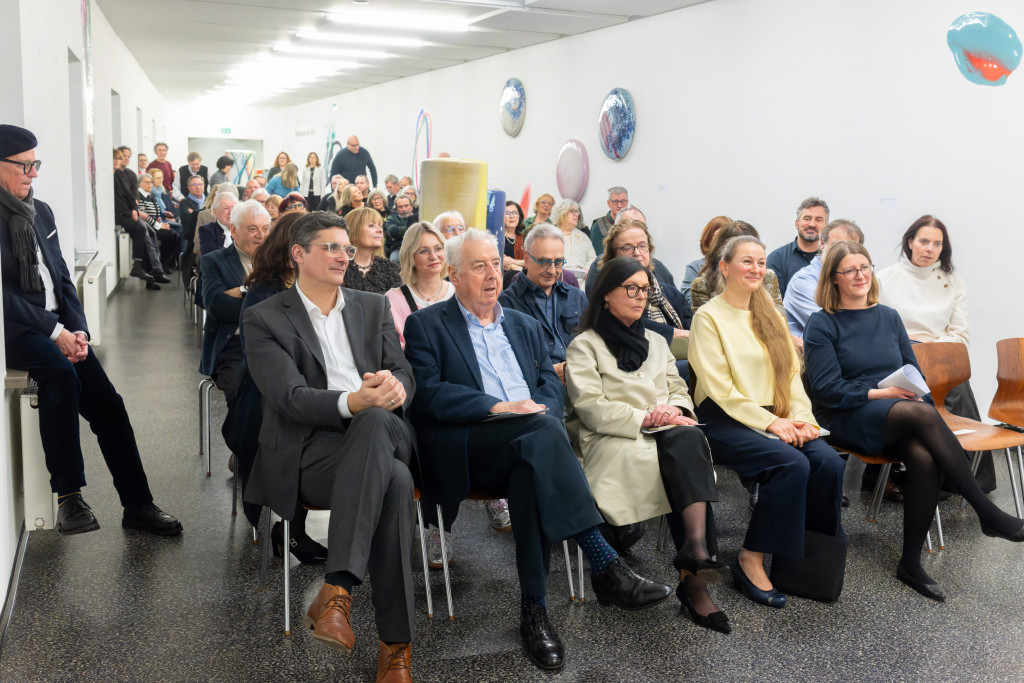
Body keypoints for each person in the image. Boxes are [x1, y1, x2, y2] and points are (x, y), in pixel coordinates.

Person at [403, 229, 673, 672]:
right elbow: (429, 396)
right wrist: (498, 406)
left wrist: (538, 409)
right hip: (469, 445)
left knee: (532, 463)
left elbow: (549, 382)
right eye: (478, 266)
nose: (492, 275)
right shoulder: (427, 325)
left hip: (529, 448)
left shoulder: (523, 325)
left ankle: (535, 613)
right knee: (542, 434)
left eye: (495, 263)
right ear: (452, 273)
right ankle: (604, 562)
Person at [243, 211, 416, 680]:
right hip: (312, 449)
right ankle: (394, 647)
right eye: (331, 247)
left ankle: (337, 589)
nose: (344, 255)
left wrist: (394, 387)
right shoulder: (263, 318)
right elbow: (288, 397)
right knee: (396, 483)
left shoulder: (371, 305)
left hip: (383, 430)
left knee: (378, 419)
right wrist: (353, 401)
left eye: (346, 247)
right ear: (299, 254)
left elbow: (402, 372)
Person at [804, 241, 1024, 601]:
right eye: (850, 270)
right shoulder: (822, 323)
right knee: (922, 413)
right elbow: (827, 390)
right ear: (834, 279)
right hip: (848, 414)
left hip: (897, 413)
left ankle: (910, 563)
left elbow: (913, 372)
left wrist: (909, 393)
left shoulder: (888, 315)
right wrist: (882, 394)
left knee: (922, 454)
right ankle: (986, 512)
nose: (860, 275)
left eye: (865, 267)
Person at [0, 124, 182, 536]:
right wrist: (53, 332)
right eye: (24, 165)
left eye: (36, 164)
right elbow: (2, 295)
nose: (33, 173)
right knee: (59, 375)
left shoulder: (39, 210)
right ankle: (69, 497)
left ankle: (138, 504)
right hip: (18, 330)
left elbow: (61, 276)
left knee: (110, 407)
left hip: (58, 326)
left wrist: (78, 330)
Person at [565, 256, 728, 633]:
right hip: (612, 436)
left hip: (664, 430)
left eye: (645, 290)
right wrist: (644, 417)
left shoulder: (656, 341)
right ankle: (695, 571)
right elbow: (590, 408)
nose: (641, 298)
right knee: (682, 460)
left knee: (689, 440)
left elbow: (676, 387)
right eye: (631, 289)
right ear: (606, 295)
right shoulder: (584, 346)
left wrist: (673, 410)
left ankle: (696, 564)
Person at [689, 234, 844, 609]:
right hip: (724, 417)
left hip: (774, 414)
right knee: (790, 464)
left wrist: (802, 419)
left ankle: (799, 562)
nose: (757, 268)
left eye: (761, 262)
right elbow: (720, 389)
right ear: (724, 268)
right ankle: (751, 558)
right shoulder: (708, 317)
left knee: (827, 462)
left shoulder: (770, 314)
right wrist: (771, 424)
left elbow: (791, 376)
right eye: (747, 261)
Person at [877, 216, 996, 490]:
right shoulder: (884, 279)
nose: (930, 248)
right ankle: (953, 475)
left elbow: (960, 334)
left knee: (953, 384)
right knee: (947, 389)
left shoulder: (952, 281)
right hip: (899, 361)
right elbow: (879, 331)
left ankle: (951, 475)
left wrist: (930, 348)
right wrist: (913, 344)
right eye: (924, 241)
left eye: (937, 243)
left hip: (940, 358)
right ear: (910, 242)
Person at [200, 199, 271, 404]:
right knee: (242, 395)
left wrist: (240, 293)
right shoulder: (214, 261)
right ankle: (240, 437)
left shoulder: (277, 262)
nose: (261, 235)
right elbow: (216, 306)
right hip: (234, 345)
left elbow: (286, 303)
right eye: (253, 229)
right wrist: (253, 291)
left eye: (265, 228)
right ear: (234, 230)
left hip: (273, 340)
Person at [499, 223, 587, 385]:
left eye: (558, 262)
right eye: (544, 262)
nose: (552, 271)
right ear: (525, 259)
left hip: (582, 382)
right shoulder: (506, 304)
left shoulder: (577, 297)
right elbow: (504, 364)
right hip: (536, 389)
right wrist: (547, 372)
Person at [589, 219, 690, 353]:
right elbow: (628, 324)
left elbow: (693, 330)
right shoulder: (610, 293)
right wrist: (674, 333)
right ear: (613, 255)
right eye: (627, 248)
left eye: (642, 246)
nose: (637, 253)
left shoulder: (671, 293)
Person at [784, 219, 864, 340]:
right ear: (822, 244)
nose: (843, 254)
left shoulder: (859, 278)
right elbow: (831, 329)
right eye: (836, 246)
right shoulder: (802, 281)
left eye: (851, 248)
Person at [691, 221, 784, 315]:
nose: (755, 270)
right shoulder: (703, 285)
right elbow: (702, 324)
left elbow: (780, 321)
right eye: (746, 260)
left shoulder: (767, 277)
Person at [384, 221, 454, 348]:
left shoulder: (459, 294)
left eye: (438, 248)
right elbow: (392, 350)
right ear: (410, 256)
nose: (433, 256)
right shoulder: (394, 300)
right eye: (424, 251)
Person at [583, 206, 676, 292]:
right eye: (627, 225)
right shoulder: (600, 266)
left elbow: (679, 303)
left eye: (640, 226)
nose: (637, 253)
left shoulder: (659, 267)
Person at [113, 148, 162, 289]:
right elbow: (120, 198)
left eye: (127, 156)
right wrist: (132, 212)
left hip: (129, 212)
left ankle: (150, 270)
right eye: (117, 158)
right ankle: (145, 268)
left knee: (149, 233)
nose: (122, 160)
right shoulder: (115, 175)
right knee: (143, 230)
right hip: (122, 214)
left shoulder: (127, 174)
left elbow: (132, 196)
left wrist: (134, 210)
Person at [767, 197, 828, 297]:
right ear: (797, 224)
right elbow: (773, 304)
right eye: (807, 218)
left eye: (818, 220)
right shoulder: (777, 258)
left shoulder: (832, 258)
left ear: (826, 227)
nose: (812, 224)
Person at [344, 206, 401, 294]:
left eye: (380, 226)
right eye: (371, 225)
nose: (380, 230)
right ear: (353, 230)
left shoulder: (390, 270)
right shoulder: (340, 267)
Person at [136, 173, 182, 274]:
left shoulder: (149, 195)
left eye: (150, 182)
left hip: (155, 225)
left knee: (176, 236)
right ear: (139, 184)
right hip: (147, 227)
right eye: (146, 182)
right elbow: (143, 216)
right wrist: (159, 225)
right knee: (171, 236)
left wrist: (162, 223)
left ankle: (165, 264)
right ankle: (162, 266)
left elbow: (156, 214)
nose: (149, 184)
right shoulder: (139, 196)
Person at [681, 216, 730, 305]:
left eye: (729, 238)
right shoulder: (695, 268)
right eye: (718, 237)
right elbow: (690, 303)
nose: (724, 242)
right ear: (708, 239)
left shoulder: (740, 267)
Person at [550, 198, 594, 270]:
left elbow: (593, 258)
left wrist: (587, 269)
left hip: (583, 279)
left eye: (577, 211)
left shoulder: (583, 236)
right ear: (561, 213)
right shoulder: (551, 236)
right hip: (560, 277)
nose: (576, 214)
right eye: (572, 211)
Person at [588, 186, 629, 254]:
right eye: (615, 201)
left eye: (623, 201)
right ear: (609, 203)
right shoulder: (598, 226)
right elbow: (599, 256)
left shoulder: (633, 223)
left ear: (627, 203)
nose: (619, 205)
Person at [385, 195, 415, 260]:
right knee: (394, 259)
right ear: (396, 208)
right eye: (400, 207)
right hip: (399, 248)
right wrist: (413, 230)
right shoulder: (391, 218)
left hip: (417, 247)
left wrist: (401, 230)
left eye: (406, 206)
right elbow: (392, 231)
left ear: (411, 207)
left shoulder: (418, 216)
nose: (404, 209)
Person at [501, 200, 526, 277]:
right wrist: (520, 267)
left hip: (524, 277)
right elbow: (502, 262)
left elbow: (532, 263)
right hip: (504, 278)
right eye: (507, 213)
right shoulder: (497, 237)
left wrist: (513, 262)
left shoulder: (524, 238)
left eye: (515, 213)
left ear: (519, 216)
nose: (511, 216)